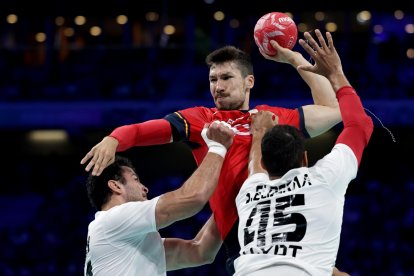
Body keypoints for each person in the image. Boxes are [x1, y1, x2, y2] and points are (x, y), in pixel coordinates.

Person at [80, 39, 342, 273]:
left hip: (291, 229)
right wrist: (114, 138)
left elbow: (332, 110)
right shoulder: (202, 119)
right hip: (248, 240)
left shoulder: (271, 116)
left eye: (226, 78)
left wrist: (292, 58)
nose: (218, 86)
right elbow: (140, 131)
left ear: (249, 81)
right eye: (213, 80)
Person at [233, 29, 373, 275]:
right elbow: (359, 124)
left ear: (265, 164)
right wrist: (334, 73)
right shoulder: (323, 178)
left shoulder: (248, 193)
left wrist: (258, 133)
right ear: (305, 158)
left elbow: (255, 167)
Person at [84, 122, 235, 275]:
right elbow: (192, 198)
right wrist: (218, 147)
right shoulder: (113, 219)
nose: (145, 188)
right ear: (116, 186)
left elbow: (200, 251)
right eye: (135, 179)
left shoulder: (120, 236)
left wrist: (229, 200)